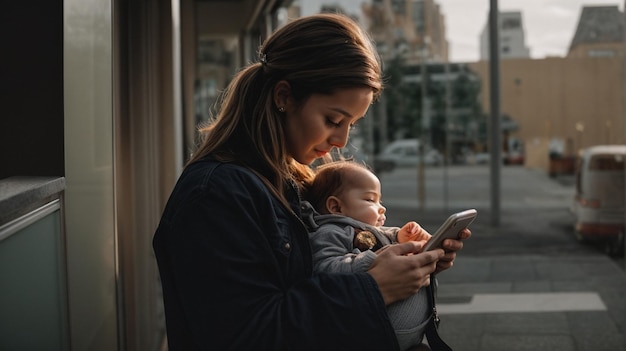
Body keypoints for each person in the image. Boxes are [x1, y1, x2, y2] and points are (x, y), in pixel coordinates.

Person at [152, 13, 471, 351]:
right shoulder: (215, 197)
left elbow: (330, 267)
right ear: (284, 96)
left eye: (352, 124)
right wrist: (376, 288)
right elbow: (244, 335)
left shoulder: (293, 185)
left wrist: (413, 264)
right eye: (334, 119)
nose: (341, 140)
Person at [302, 160, 461, 351]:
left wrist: (401, 237)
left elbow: (385, 237)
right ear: (336, 207)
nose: (381, 208)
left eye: (380, 201)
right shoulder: (331, 232)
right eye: (370, 199)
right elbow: (325, 270)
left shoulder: (375, 230)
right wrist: (372, 260)